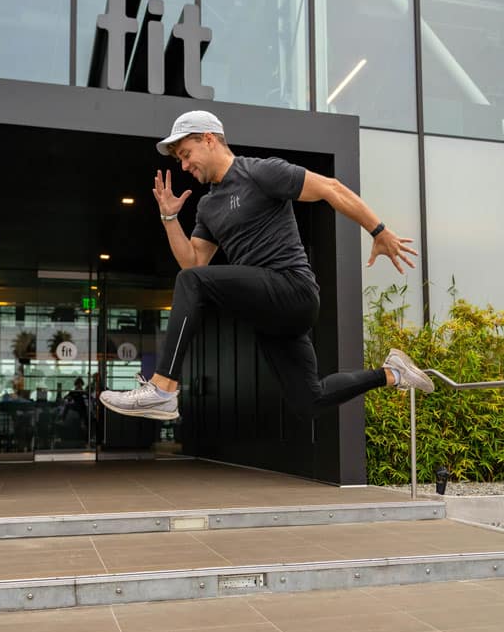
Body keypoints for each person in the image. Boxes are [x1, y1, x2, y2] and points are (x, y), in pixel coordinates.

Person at [99, 110, 433, 421]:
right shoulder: (208, 206)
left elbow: (330, 189)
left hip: (292, 289)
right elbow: (194, 261)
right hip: (270, 313)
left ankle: (163, 388)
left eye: (186, 154)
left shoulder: (259, 172)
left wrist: (379, 230)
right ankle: (393, 373)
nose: (184, 165)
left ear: (209, 138)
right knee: (309, 399)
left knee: (192, 282)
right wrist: (169, 217)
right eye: (180, 160)